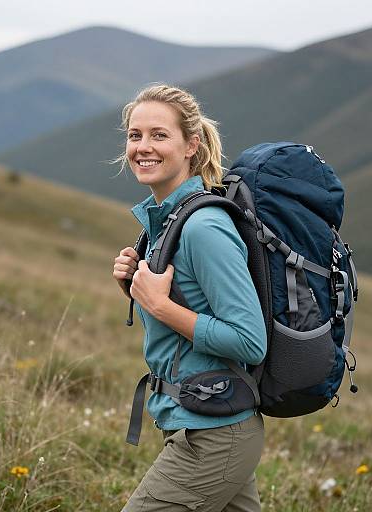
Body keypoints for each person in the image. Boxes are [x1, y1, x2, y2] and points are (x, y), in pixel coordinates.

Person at [112, 84, 267, 512]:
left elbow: (249, 340)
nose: (143, 147)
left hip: (215, 436)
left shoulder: (204, 228)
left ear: (190, 145)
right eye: (135, 135)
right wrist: (137, 288)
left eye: (159, 135)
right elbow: (193, 308)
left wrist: (160, 305)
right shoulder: (165, 223)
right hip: (204, 420)